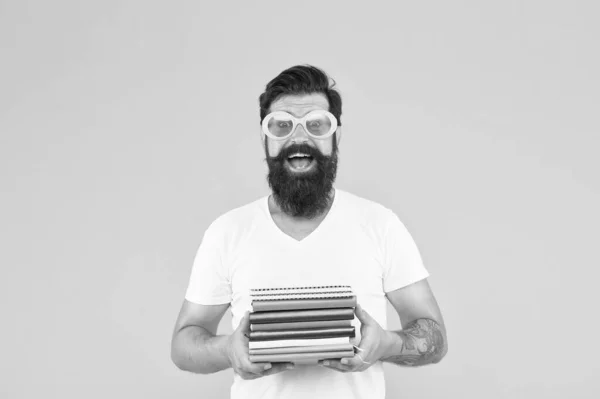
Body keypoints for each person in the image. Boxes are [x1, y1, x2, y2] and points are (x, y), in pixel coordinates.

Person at [171, 65, 448, 399]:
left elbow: (435, 338)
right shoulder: (228, 232)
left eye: (316, 124)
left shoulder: (379, 225)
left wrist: (387, 344)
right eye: (282, 125)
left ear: (336, 135)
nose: (299, 137)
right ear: (265, 139)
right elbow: (184, 342)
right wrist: (228, 349)